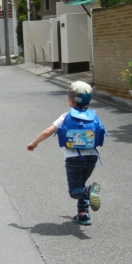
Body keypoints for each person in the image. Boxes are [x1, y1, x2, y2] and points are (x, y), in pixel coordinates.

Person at [26, 81, 105, 226]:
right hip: (92, 157)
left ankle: (88, 191)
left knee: (75, 190)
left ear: (70, 101)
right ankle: (83, 214)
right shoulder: (94, 116)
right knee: (81, 184)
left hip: (73, 159)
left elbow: (48, 131)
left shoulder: (66, 116)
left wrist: (34, 142)